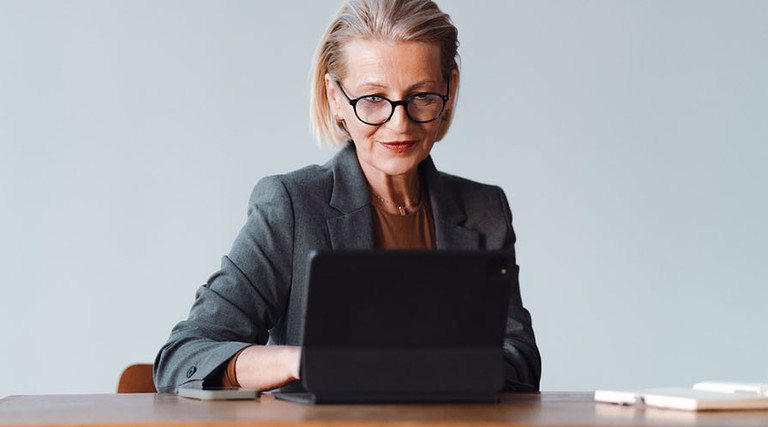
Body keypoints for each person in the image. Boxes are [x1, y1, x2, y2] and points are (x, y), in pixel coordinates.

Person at [154, 0, 541, 393]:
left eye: (422, 95)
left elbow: (521, 357)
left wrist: (449, 366)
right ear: (336, 98)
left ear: (450, 89)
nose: (399, 123)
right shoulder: (291, 205)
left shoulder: (485, 211)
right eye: (373, 98)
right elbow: (183, 357)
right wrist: (301, 360)